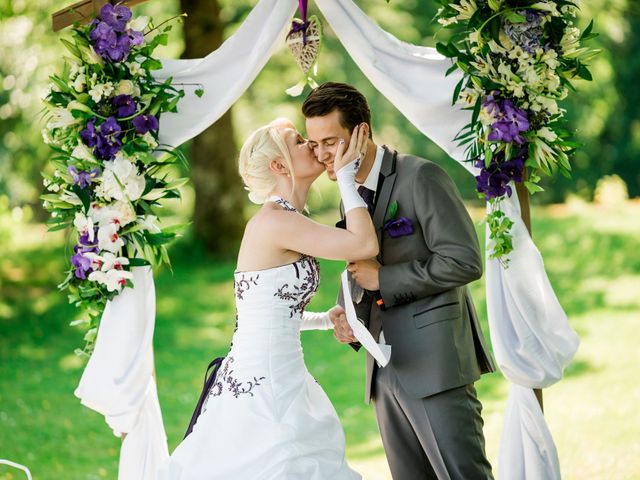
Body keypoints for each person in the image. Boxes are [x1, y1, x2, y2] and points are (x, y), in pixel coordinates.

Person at [157, 118, 373, 479]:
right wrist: (347, 180)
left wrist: (323, 318)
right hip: (264, 386)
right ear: (278, 165)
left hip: (281, 374)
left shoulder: (286, 219)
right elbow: (364, 244)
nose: (313, 146)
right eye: (300, 141)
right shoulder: (274, 222)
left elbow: (264, 312)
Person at [303, 82, 496, 480]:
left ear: (362, 133)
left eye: (330, 142)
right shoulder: (348, 188)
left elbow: (464, 261)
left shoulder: (420, 176)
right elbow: (362, 263)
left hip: (435, 364)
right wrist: (350, 312)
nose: (321, 154)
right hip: (384, 370)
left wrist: (384, 279)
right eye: (313, 143)